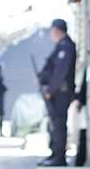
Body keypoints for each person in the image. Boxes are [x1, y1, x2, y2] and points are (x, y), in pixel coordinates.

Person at [37, 19, 77, 167]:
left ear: (58, 30)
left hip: (60, 92)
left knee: (59, 124)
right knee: (54, 124)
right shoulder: (61, 46)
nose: (51, 34)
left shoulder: (66, 46)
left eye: (52, 30)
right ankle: (55, 153)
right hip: (56, 92)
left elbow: (60, 72)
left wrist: (50, 89)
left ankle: (59, 157)